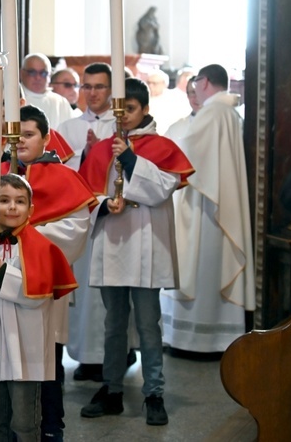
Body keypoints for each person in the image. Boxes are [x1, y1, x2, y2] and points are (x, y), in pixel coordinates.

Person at [0, 106, 96, 440]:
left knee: (45, 361)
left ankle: (50, 428)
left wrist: (22, 234)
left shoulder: (64, 176)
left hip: (40, 285)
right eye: (15, 135)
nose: (20, 141)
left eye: (28, 134)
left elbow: (76, 229)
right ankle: (3, 427)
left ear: (46, 137)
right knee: (2, 355)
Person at [78, 77, 194, 426]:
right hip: (113, 243)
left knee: (148, 323)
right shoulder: (102, 148)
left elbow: (161, 188)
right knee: (113, 324)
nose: (123, 116)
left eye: (129, 109)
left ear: (144, 109)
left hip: (147, 245)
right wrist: (103, 204)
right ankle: (112, 389)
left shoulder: (161, 145)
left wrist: (129, 158)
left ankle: (153, 392)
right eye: (119, 110)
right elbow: (84, 194)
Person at [0, 174, 79, 441]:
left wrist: (0, 271)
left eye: (20, 201)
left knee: (25, 424)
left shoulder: (41, 248)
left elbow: (37, 295)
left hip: (27, 351)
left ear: (31, 209)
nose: (12, 207)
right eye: (4, 200)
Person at [160, 64, 255, 354]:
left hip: (206, 207)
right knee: (209, 267)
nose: (195, 86)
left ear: (205, 82)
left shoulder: (213, 113)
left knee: (200, 266)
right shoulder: (229, 112)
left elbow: (185, 153)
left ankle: (198, 341)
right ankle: (215, 336)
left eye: (196, 81)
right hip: (215, 200)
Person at [57, 62, 132, 384]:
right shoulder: (68, 126)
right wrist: (84, 157)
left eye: (99, 87)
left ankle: (116, 356)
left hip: (118, 222)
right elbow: (58, 173)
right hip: (81, 220)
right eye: (86, 86)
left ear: (112, 89)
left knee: (112, 293)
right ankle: (88, 358)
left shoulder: (123, 126)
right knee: (84, 292)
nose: (92, 93)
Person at [20, 53, 72, 128]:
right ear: (21, 73)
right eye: (32, 72)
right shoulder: (12, 99)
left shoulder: (60, 102)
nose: (38, 77)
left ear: (50, 75)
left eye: (43, 73)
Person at [146, 69, 190, 135]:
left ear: (164, 84)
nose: (150, 86)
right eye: (148, 83)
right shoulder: (144, 99)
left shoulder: (176, 99)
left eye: (154, 83)